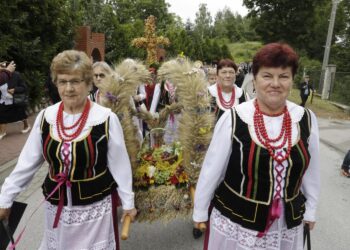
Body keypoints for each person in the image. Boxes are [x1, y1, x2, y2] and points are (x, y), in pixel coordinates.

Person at [0, 50, 137, 249]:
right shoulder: (46, 117)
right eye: (63, 81)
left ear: (88, 83)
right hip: (56, 208)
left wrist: (128, 202)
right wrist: (5, 198)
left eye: (76, 81)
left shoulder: (106, 118)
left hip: (94, 209)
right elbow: (26, 164)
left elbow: (120, 166)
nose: (69, 88)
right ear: (56, 83)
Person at [193, 43, 320, 249]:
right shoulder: (234, 118)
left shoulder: (305, 119)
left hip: (286, 225)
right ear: (255, 79)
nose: (275, 83)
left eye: (284, 76)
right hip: (238, 222)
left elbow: (311, 171)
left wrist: (311, 209)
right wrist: (200, 210)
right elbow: (211, 170)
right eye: (267, 76)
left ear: (292, 80)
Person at [0, 61, 30, 140]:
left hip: (15, 99)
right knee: (2, 115)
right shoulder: (1, 76)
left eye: (3, 67)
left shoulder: (16, 75)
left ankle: (26, 126)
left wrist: (15, 89)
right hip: (3, 99)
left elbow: (24, 87)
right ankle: (2, 132)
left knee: (21, 114)